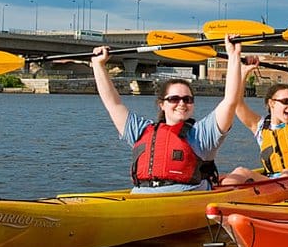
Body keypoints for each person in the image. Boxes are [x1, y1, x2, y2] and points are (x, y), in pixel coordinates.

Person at [90, 36, 247, 193]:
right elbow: (113, 104)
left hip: (185, 198)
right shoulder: (141, 131)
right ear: (162, 104)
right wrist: (98, 65)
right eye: (174, 99)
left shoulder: (202, 135)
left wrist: (234, 55)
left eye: (187, 99)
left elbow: (230, 101)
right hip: (141, 197)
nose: (181, 103)